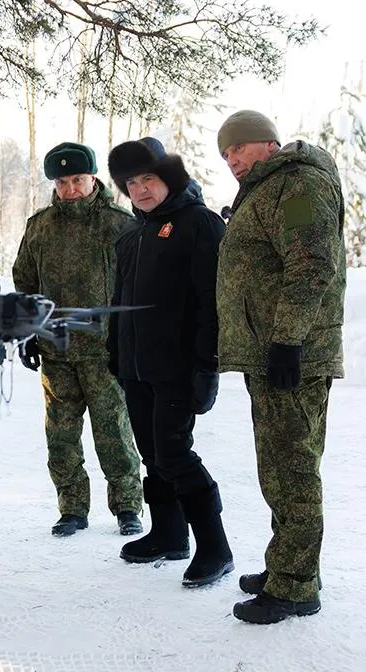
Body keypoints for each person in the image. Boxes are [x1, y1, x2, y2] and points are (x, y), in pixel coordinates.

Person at [215, 110, 346, 624]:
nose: (232, 161)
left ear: (265, 143)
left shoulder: (295, 186)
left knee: (292, 470)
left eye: (238, 150)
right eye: (226, 155)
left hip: (290, 352)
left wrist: (288, 339)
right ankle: (285, 567)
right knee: (278, 468)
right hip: (271, 350)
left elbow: (311, 262)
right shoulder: (269, 186)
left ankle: (294, 586)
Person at [106, 137, 233, 589]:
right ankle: (168, 534)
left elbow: (212, 303)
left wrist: (207, 366)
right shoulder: (133, 233)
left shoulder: (200, 224)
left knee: (175, 455)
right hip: (137, 366)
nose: (140, 189)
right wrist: (115, 352)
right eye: (131, 182)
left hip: (179, 366)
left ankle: (215, 548)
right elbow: (120, 301)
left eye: (149, 179)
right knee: (152, 454)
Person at [12, 142, 144, 539]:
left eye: (78, 180)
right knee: (61, 435)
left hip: (106, 352)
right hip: (57, 351)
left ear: (92, 179)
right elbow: (24, 283)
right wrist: (28, 333)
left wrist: (131, 337)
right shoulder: (40, 227)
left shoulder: (119, 223)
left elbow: (137, 286)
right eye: (62, 181)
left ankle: (126, 506)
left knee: (115, 432)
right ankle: (71, 508)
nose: (70, 188)